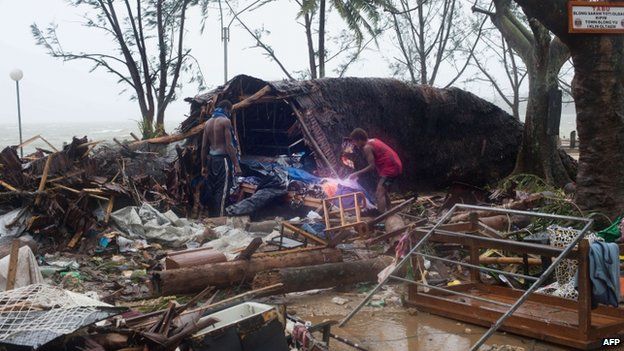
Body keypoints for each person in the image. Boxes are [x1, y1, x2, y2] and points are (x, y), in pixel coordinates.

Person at [201, 100, 242, 216]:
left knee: (212, 189)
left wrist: (203, 166)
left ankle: (211, 217)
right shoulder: (225, 121)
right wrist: (237, 165)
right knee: (222, 190)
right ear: (226, 109)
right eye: (230, 111)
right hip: (223, 160)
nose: (230, 113)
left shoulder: (207, 123)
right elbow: (229, 146)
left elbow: (204, 147)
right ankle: (219, 219)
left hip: (211, 160)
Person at [347, 128, 402, 213]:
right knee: (383, 190)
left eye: (355, 142)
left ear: (359, 139)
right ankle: (390, 212)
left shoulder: (367, 147)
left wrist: (356, 173)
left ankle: (380, 217)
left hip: (390, 169)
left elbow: (371, 166)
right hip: (395, 165)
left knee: (379, 193)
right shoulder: (373, 140)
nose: (355, 145)